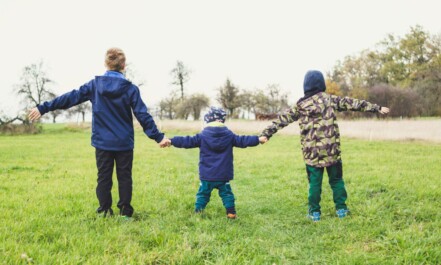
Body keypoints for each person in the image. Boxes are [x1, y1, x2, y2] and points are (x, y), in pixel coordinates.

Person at [28, 47, 170, 219]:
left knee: (103, 178)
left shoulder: (95, 86)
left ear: (106, 64)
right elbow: (142, 115)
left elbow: (70, 98)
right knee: (125, 177)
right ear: (124, 65)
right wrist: (158, 137)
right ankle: (125, 212)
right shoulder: (130, 89)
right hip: (124, 142)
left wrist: (43, 107)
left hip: (102, 142)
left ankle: (104, 211)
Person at [260, 70, 390, 222]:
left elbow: (281, 120)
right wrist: (376, 108)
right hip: (332, 152)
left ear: (306, 86)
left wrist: (266, 134)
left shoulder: (300, 105)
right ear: (322, 84)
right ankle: (341, 209)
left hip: (311, 155)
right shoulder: (329, 100)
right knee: (336, 181)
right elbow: (352, 103)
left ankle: (314, 213)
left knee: (314, 184)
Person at [162, 107, 266, 219]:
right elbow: (243, 140)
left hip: (207, 175)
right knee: (227, 194)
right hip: (223, 174)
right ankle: (231, 212)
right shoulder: (229, 135)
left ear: (208, 120)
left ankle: (198, 211)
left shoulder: (202, 136)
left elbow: (187, 141)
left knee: (203, 194)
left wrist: (172, 141)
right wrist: (258, 139)